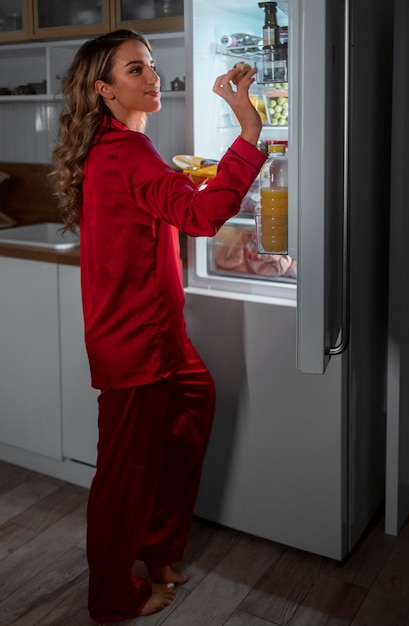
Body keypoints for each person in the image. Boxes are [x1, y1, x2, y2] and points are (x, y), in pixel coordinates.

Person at [49, 29, 266, 624]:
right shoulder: (124, 152)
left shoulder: (123, 149)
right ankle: (113, 598)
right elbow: (197, 218)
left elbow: (160, 203)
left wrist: (189, 182)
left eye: (151, 65)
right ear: (104, 90)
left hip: (158, 333)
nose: (152, 77)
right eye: (134, 70)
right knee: (124, 475)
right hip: (134, 341)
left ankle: (158, 549)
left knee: (194, 409)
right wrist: (247, 133)